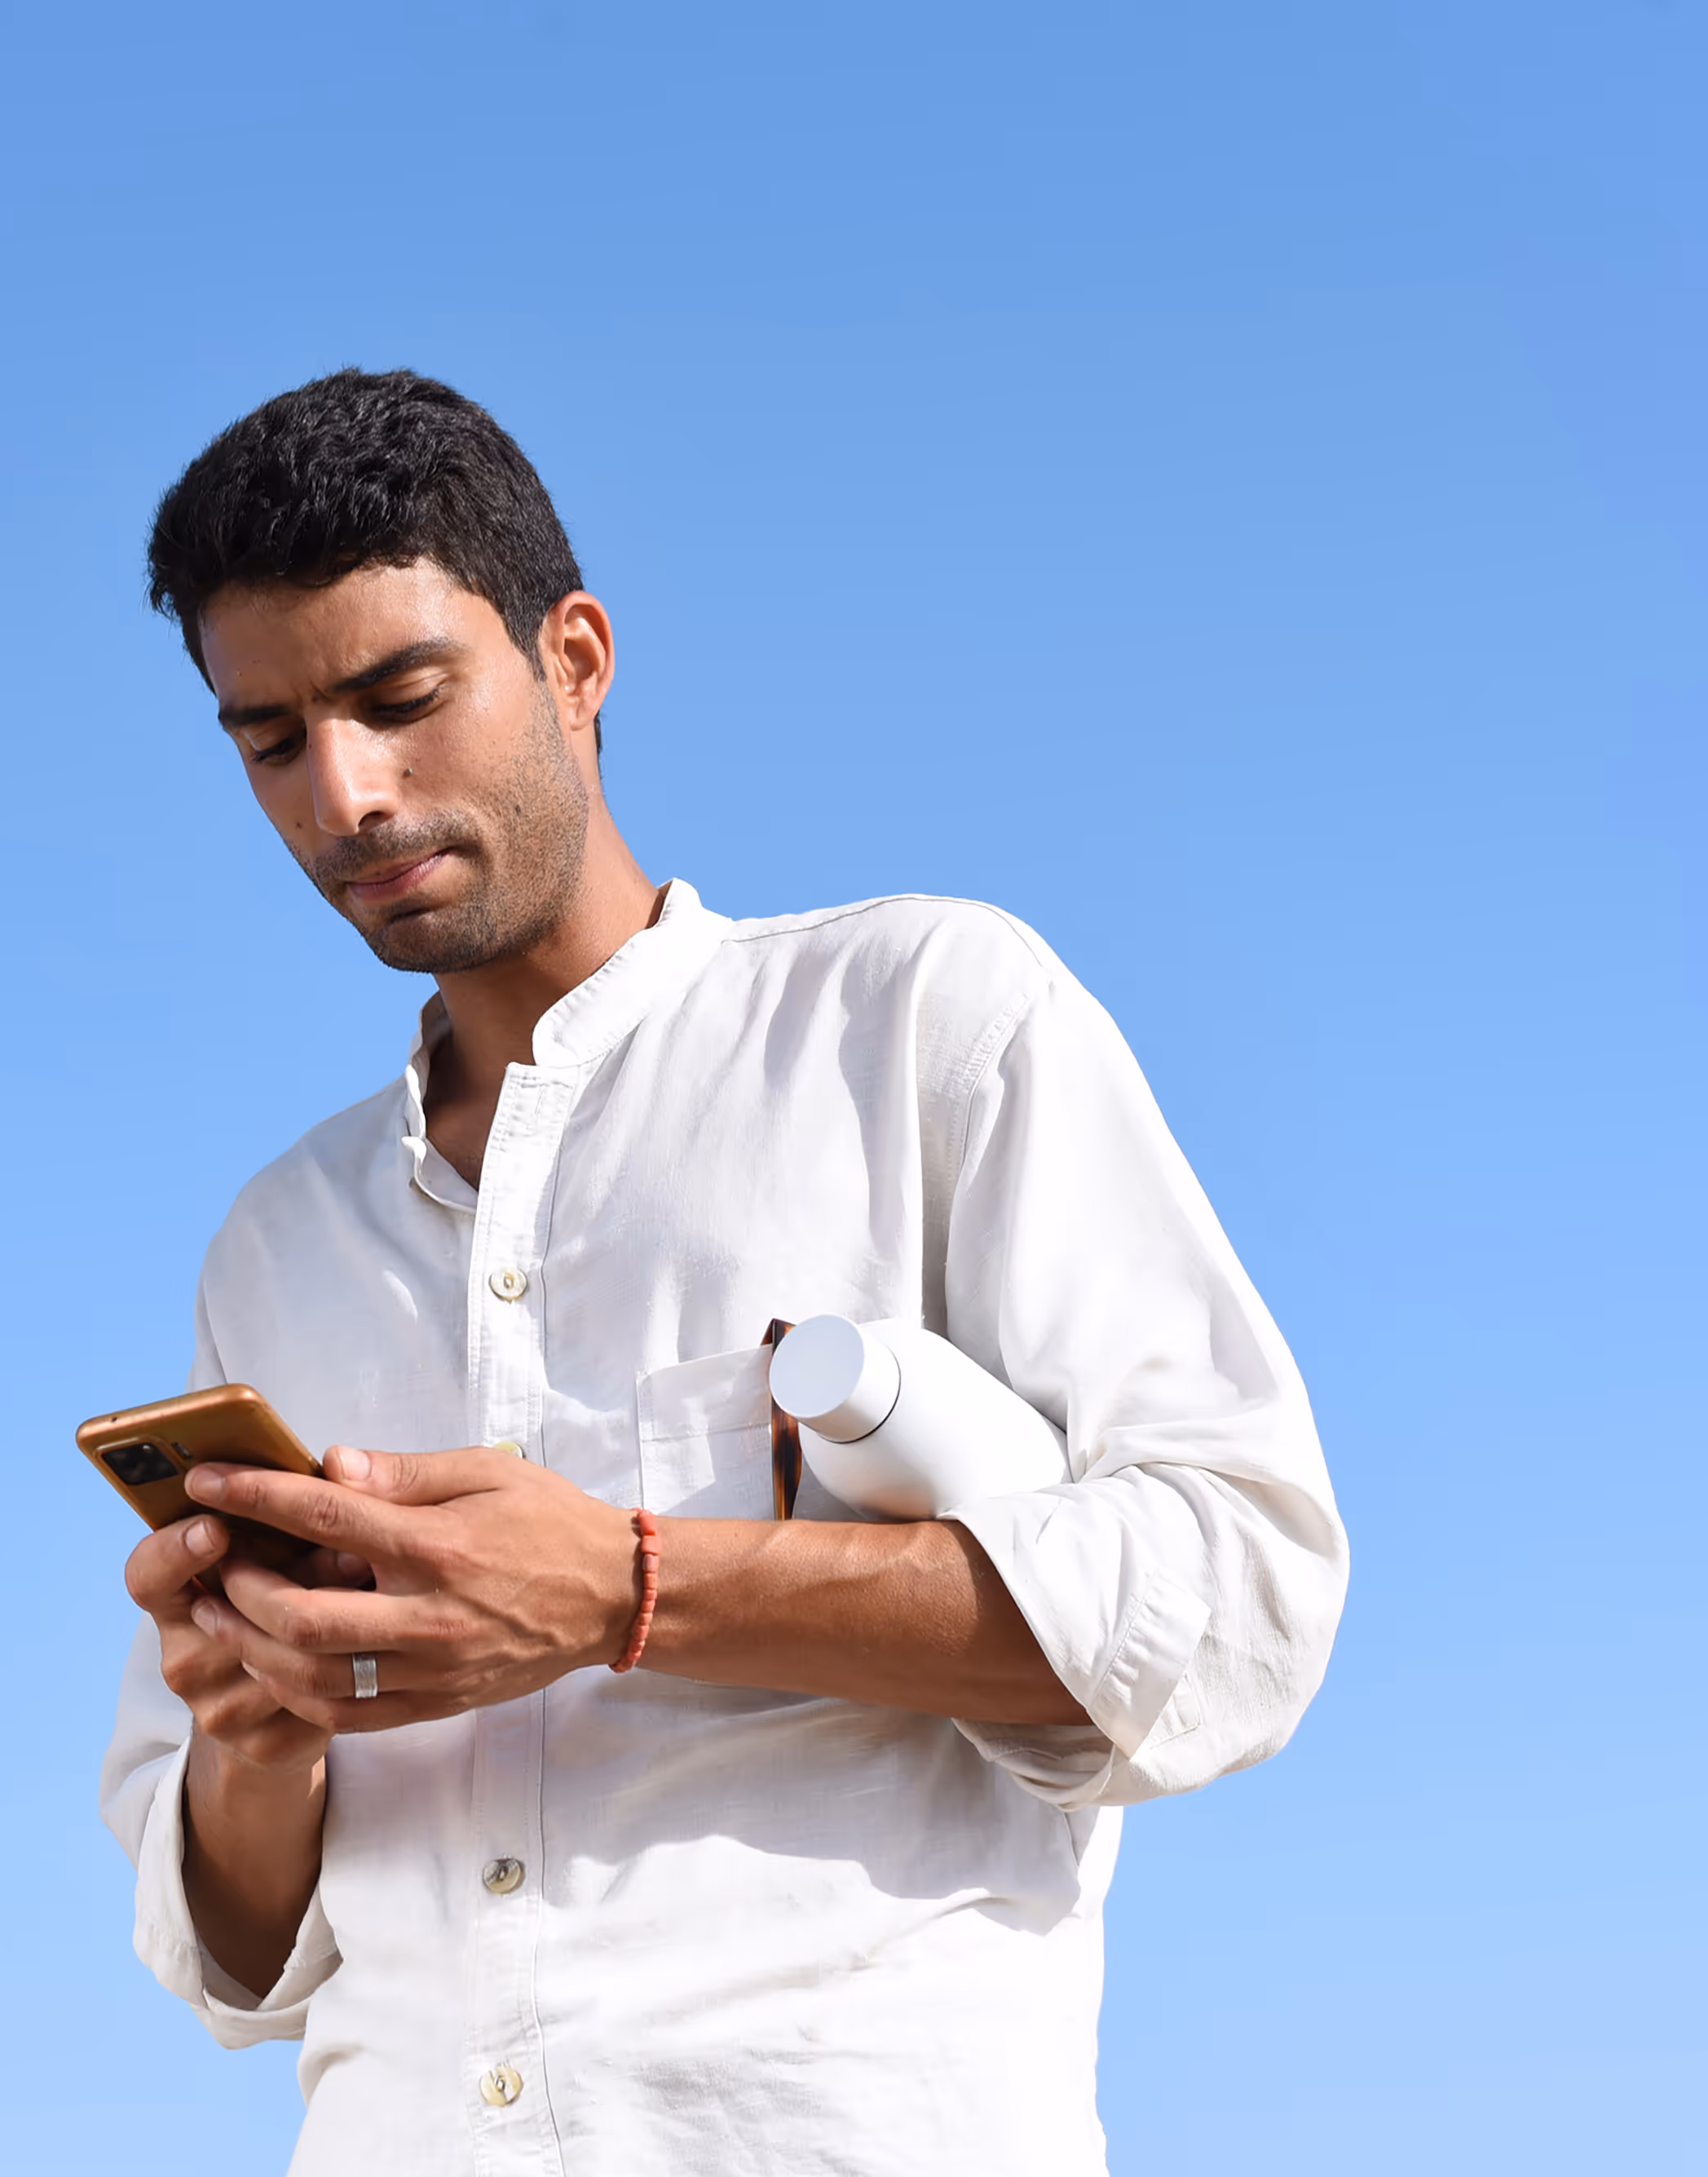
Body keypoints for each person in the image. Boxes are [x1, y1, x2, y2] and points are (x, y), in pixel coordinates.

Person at [99, 368, 1346, 2175]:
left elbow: (1238, 1603)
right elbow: (230, 1967)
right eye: (270, 739)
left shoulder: (923, 1019)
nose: (346, 794)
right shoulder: (275, 1244)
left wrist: (625, 1582)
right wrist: (253, 1730)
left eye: (397, 698)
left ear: (575, 659)